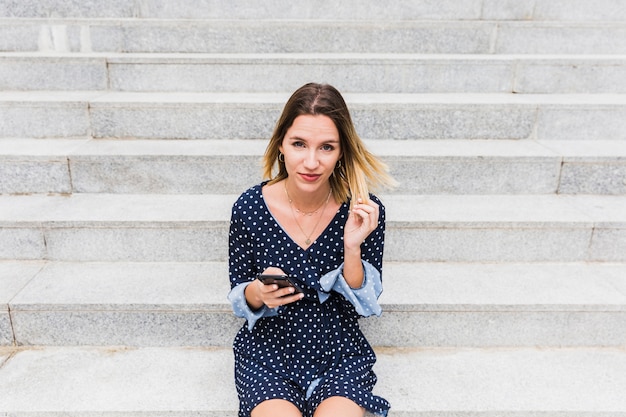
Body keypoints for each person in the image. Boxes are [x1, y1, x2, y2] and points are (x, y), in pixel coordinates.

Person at [227, 82, 397, 417]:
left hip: (339, 351)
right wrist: (260, 293)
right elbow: (238, 295)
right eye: (299, 144)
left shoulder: (363, 210)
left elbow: (366, 304)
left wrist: (352, 247)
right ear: (280, 146)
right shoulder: (249, 207)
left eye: (326, 147)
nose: (311, 161)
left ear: (341, 152)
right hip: (269, 351)